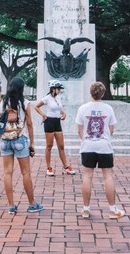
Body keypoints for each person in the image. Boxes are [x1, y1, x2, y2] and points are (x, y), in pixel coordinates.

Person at [75, 82, 125, 219]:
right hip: (104, 146)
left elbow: (80, 131)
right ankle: (113, 210)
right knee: (107, 176)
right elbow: (111, 129)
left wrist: (88, 139)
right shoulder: (108, 108)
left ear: (90, 92)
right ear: (102, 93)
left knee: (87, 176)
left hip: (87, 146)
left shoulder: (83, 108)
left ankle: (85, 209)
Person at [0, 77, 44, 214]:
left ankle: (11, 205)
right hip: (19, 139)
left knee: (7, 172)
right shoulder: (24, 103)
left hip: (5, 140)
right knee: (25, 173)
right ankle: (32, 204)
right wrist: (32, 143)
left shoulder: (3, 102)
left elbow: (0, 123)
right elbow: (29, 123)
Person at [34, 80, 76, 177]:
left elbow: (60, 109)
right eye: (58, 89)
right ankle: (49, 168)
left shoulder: (58, 98)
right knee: (49, 146)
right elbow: (36, 107)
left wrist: (64, 113)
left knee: (61, 146)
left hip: (57, 122)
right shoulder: (47, 98)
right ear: (53, 89)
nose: (60, 90)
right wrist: (43, 115)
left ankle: (66, 167)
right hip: (49, 122)